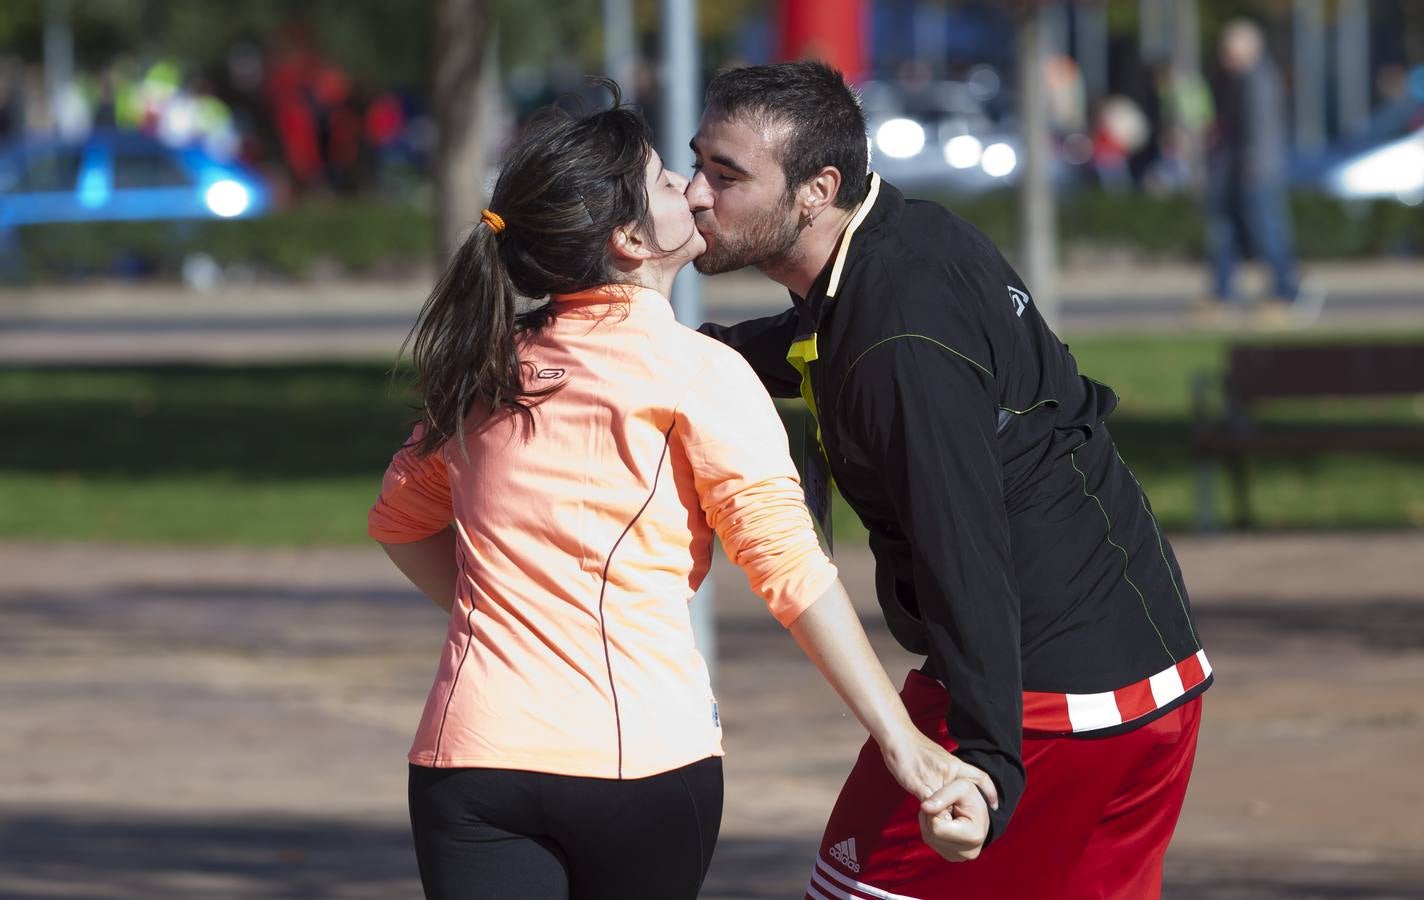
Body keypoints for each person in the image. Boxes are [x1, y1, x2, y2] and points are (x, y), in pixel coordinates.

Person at [367, 87, 995, 900]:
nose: (694, 191)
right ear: (630, 239)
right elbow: (790, 573)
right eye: (668, 181)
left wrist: (504, 615)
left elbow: (398, 522)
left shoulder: (488, 369)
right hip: (640, 766)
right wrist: (905, 747)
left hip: (471, 757)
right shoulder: (700, 372)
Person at [687, 61, 1210, 899]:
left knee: (852, 890)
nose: (695, 194)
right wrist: (696, 356)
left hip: (1049, 701)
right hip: (1156, 679)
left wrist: (986, 766)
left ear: (817, 189)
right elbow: (821, 340)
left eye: (726, 175)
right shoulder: (904, 238)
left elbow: (961, 548)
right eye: (696, 163)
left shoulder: (898, 346)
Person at [1202, 18, 1304, 326]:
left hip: (1255, 171)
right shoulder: (1241, 79)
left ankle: (1286, 292)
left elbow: (1260, 132)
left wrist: (1251, 170)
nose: (1225, 57)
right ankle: (1223, 293)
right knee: (1230, 233)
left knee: (1267, 231)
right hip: (1242, 169)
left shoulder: (1258, 80)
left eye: (1230, 51)